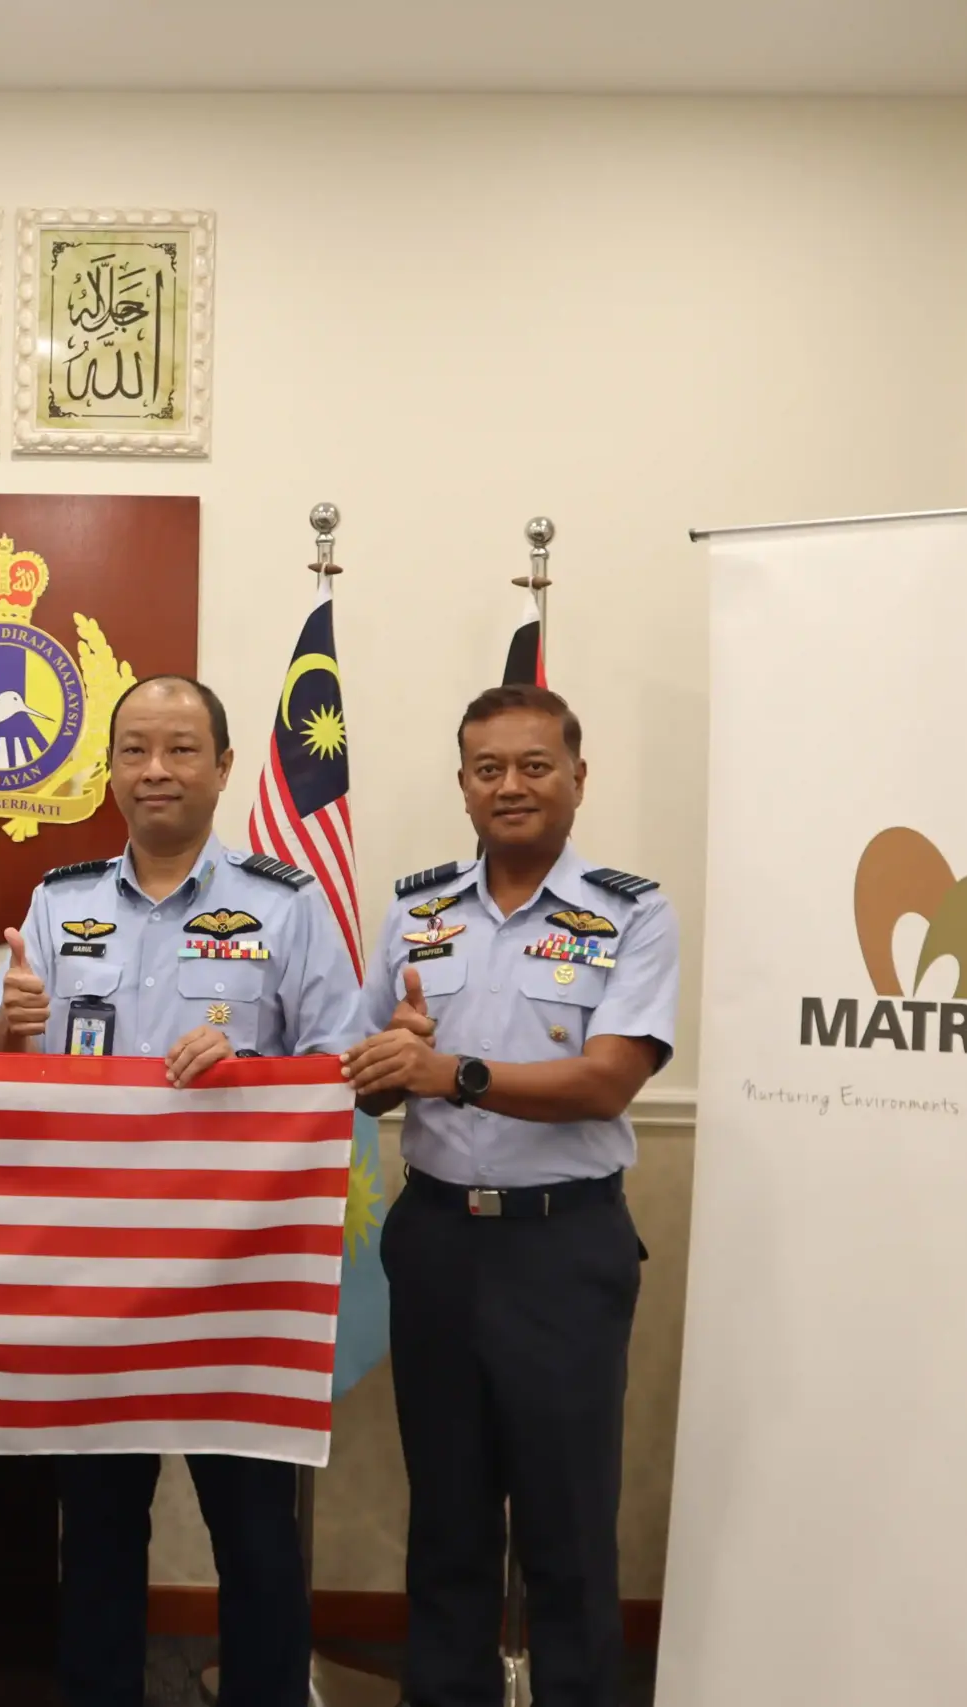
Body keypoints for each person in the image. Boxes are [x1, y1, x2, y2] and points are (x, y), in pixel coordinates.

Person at [0, 673, 363, 1707]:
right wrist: (6, 1032)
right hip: (89, 1276)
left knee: (253, 1535)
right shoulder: (59, 906)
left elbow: (345, 1070)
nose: (156, 770)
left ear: (224, 767)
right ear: (109, 770)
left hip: (232, 1282)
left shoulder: (285, 908)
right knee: (99, 1529)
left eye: (181, 749)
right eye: (135, 750)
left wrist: (251, 1072)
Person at [341, 684, 678, 1707]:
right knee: (445, 1521)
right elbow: (365, 1067)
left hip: (560, 1250)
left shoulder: (628, 911)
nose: (512, 786)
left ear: (579, 777)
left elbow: (606, 1080)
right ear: (462, 786)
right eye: (488, 769)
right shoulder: (416, 911)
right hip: (437, 1239)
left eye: (535, 765)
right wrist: (394, 1059)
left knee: (564, 1525)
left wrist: (454, 1073)